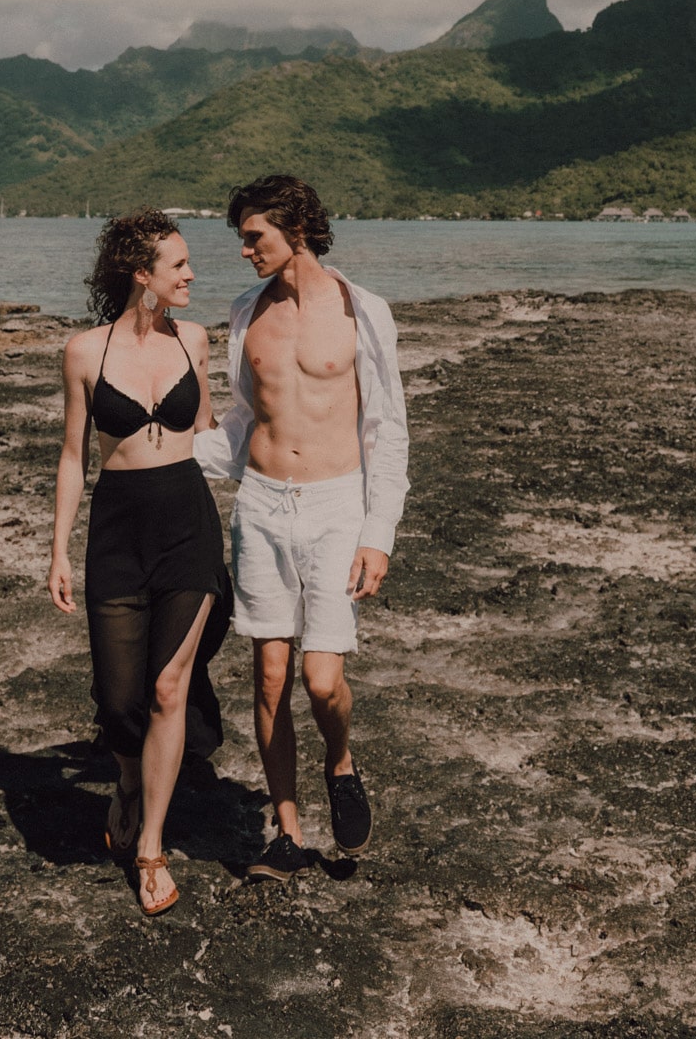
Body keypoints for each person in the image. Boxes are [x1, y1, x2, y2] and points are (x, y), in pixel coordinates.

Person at [195, 174, 409, 880]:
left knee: (322, 683)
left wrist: (379, 532)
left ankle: (340, 763)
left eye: (255, 237)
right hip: (259, 504)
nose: (246, 251)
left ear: (298, 229)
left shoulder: (363, 312)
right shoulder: (244, 311)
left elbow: (389, 429)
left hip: (335, 507)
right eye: (242, 239)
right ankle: (285, 832)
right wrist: (161, 455)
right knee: (270, 675)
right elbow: (239, 417)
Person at [49, 209, 231, 916]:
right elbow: (71, 456)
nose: (190, 275)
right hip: (118, 531)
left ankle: (152, 846)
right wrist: (59, 548)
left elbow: (212, 427)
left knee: (166, 688)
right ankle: (129, 780)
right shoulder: (84, 351)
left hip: (189, 524)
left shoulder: (195, 339)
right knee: (120, 700)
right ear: (142, 275)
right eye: (178, 265)